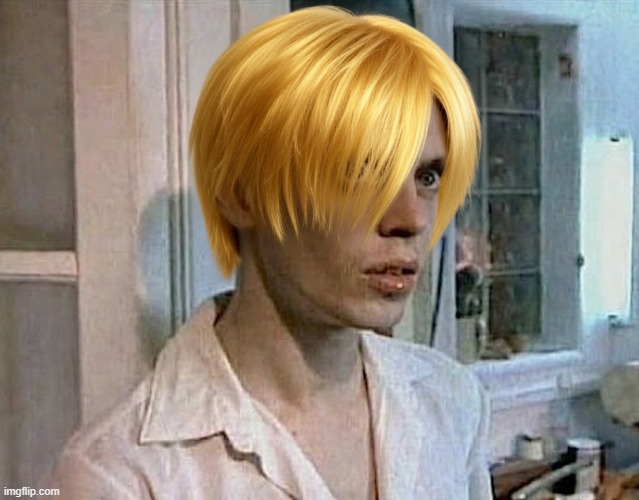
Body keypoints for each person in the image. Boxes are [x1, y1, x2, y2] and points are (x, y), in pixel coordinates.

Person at [46, 6, 489, 499]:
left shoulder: (450, 402)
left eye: (426, 176)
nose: (411, 219)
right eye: (362, 170)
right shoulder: (122, 473)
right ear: (242, 195)